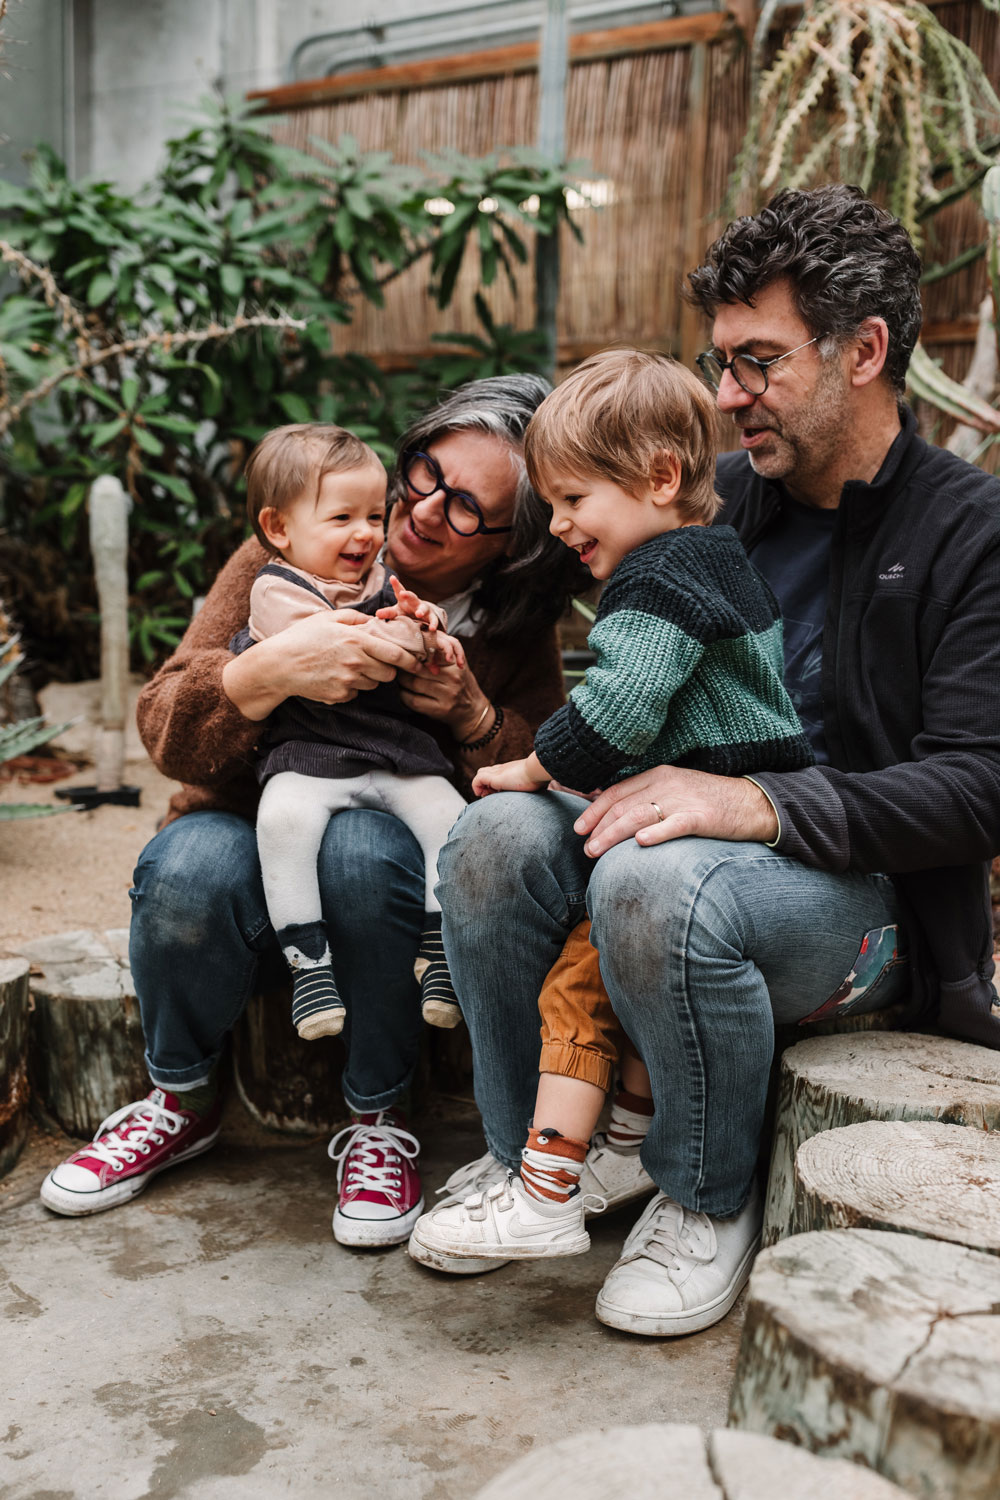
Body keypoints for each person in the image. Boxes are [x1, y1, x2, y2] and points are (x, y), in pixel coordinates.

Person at [419, 186, 1000, 1336]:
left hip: (858, 907)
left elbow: (978, 786)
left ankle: (701, 1195)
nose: (724, 394)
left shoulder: (968, 532)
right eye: (717, 359)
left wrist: (752, 802)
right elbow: (558, 561)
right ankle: (532, 1167)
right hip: (679, 838)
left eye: (757, 361)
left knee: (654, 874)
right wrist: (338, 593)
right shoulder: (706, 495)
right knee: (490, 839)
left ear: (865, 351)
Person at [38, 375, 614, 1250]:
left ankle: (379, 1118)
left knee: (365, 850)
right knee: (185, 868)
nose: (421, 510)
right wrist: (262, 675)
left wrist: (471, 719)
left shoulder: (505, 626)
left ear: (512, 545)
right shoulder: (284, 562)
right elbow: (164, 725)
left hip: (388, 904)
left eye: (466, 509)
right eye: (423, 474)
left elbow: (541, 774)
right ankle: (179, 1099)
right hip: (258, 846)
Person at [408, 349, 812, 1267]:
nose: (556, 527)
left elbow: (620, 711)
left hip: (708, 845)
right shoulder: (712, 559)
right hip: (721, 827)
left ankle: (545, 1190)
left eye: (573, 500)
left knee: (580, 988)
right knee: (619, 979)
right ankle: (623, 1147)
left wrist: (529, 765)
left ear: (661, 478)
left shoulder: (656, 579)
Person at [236, 422, 466, 1040]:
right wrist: (403, 630)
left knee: (450, 819)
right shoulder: (275, 589)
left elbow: (404, 625)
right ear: (279, 528)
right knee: (283, 823)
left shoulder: (379, 578)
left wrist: (428, 624)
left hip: (393, 754)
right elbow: (346, 640)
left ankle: (440, 947)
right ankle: (309, 965)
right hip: (312, 757)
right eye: (341, 517)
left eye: (372, 514)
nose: (365, 532)